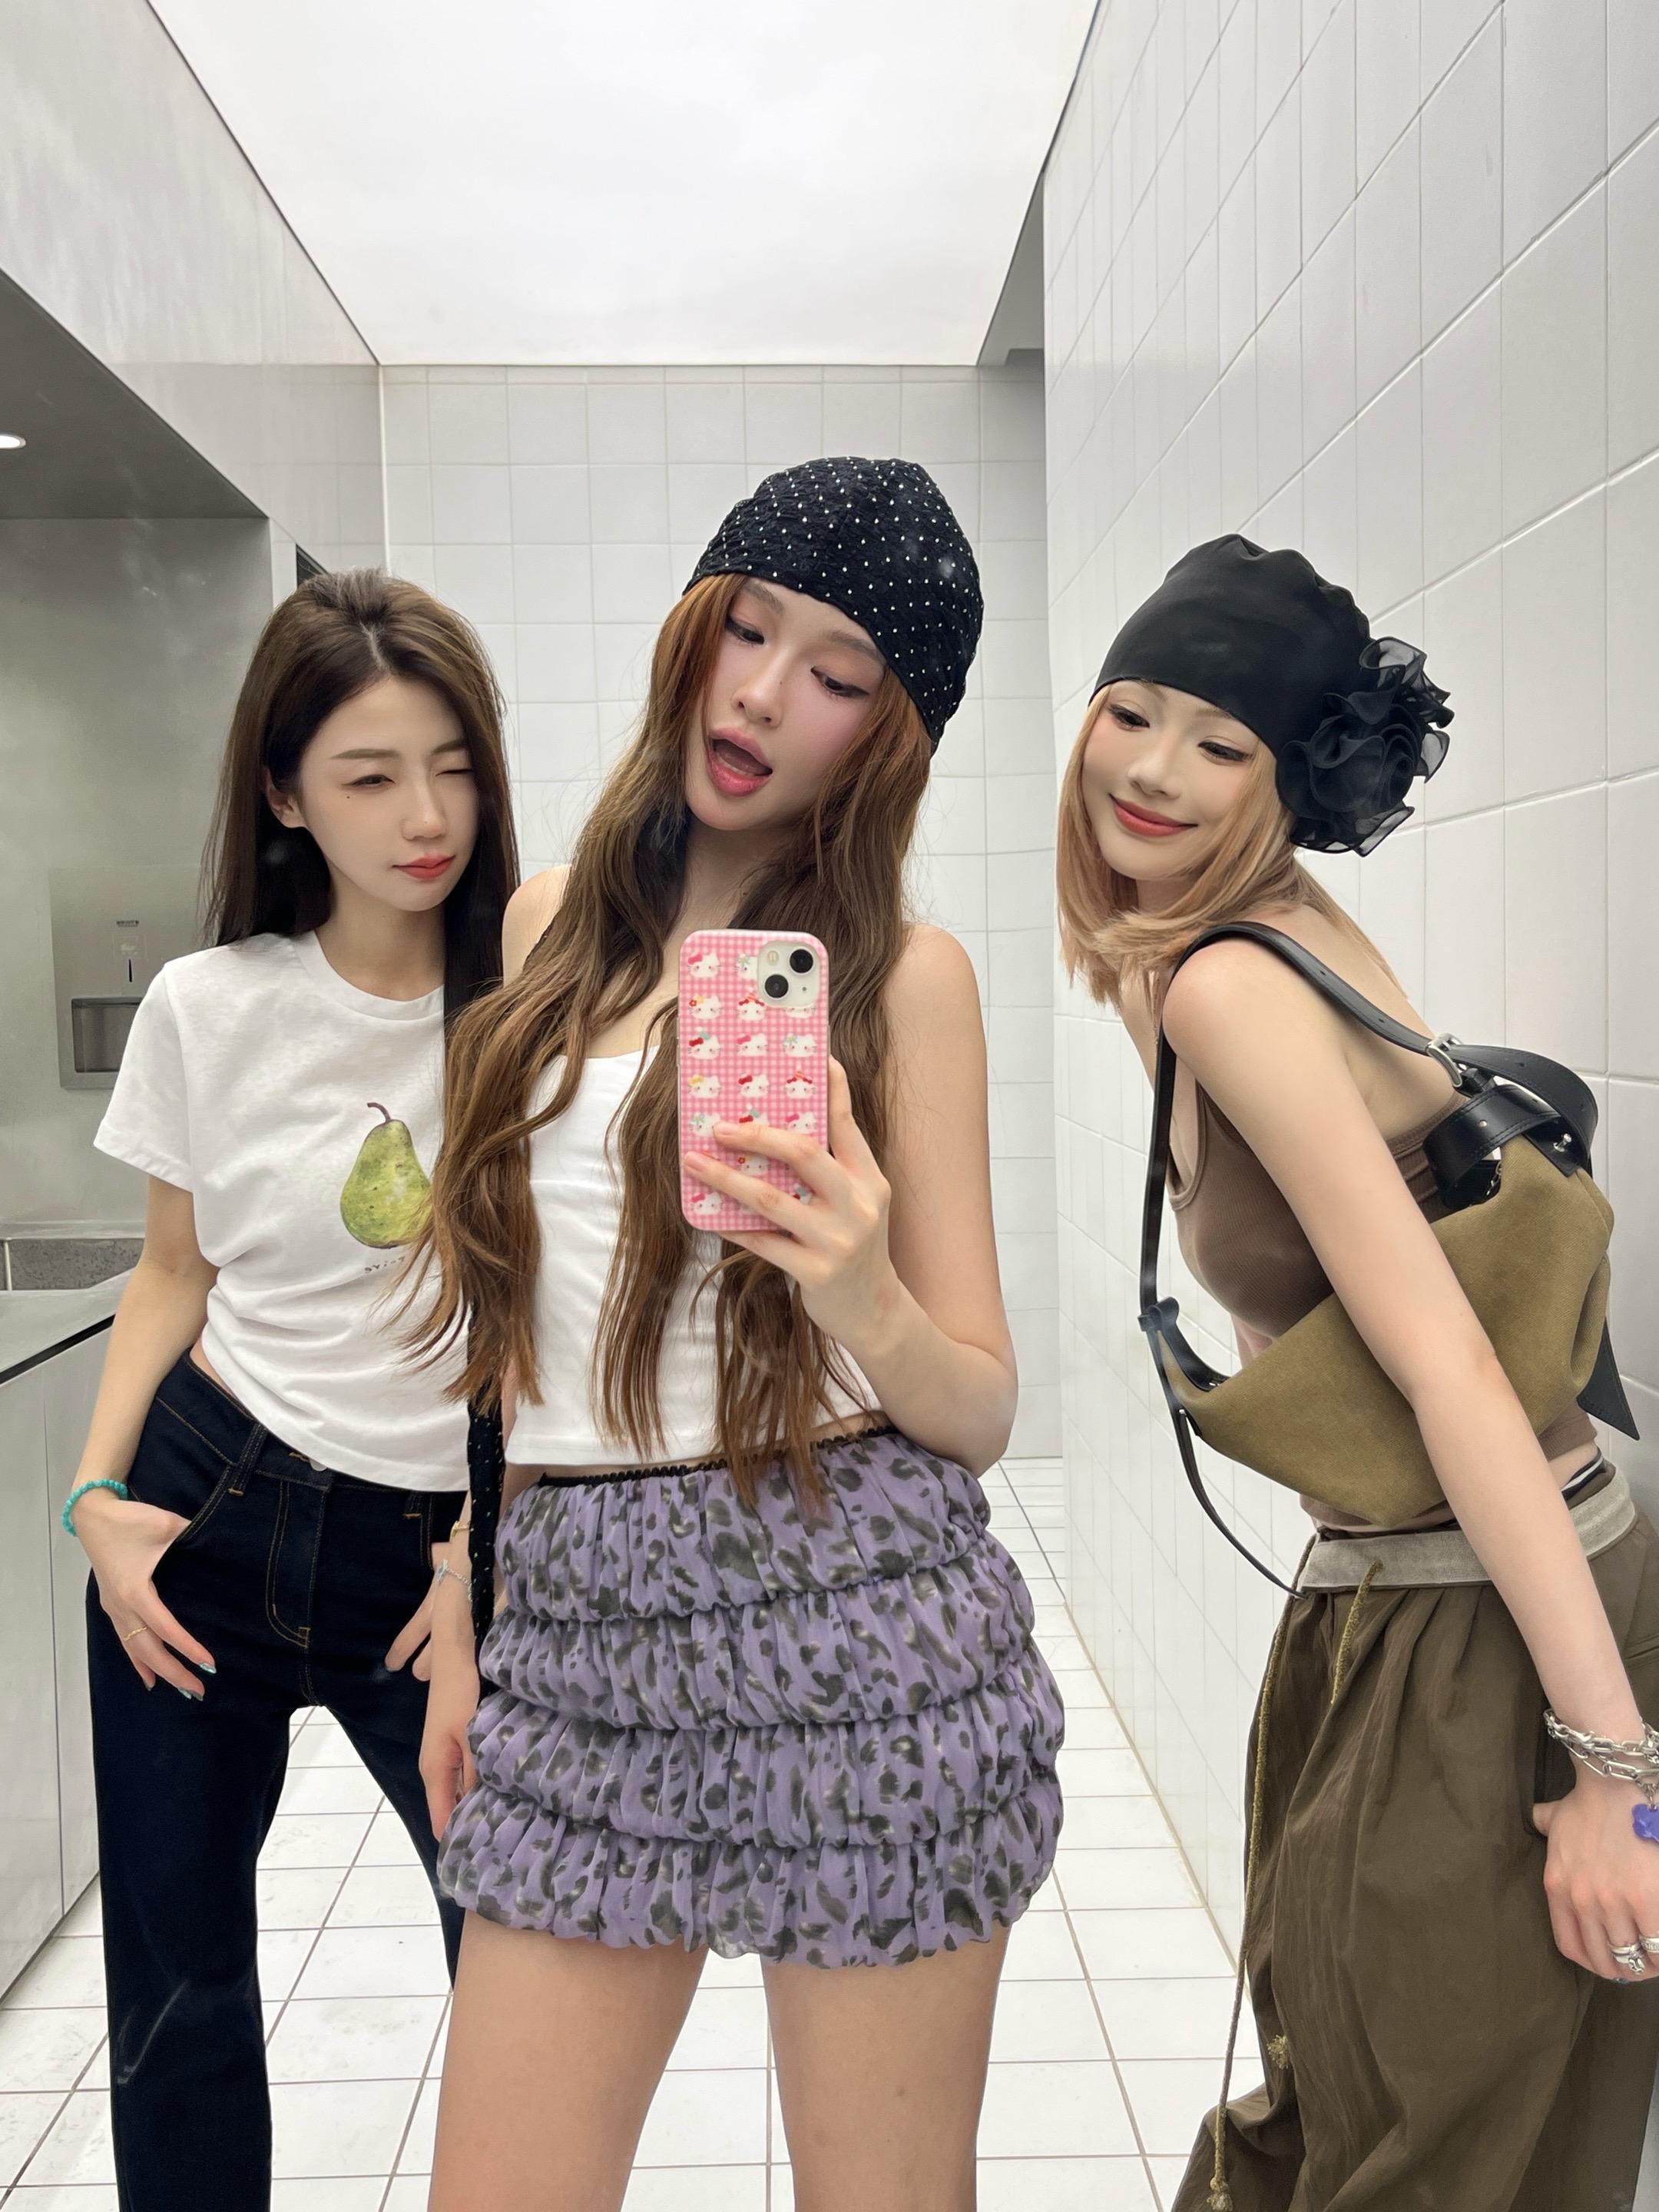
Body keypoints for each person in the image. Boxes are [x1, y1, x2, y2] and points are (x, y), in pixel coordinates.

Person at [406, 458, 1065, 2212]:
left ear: (890, 734)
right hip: (582, 1642)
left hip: (859, 1628)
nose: (763, 693)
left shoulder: (906, 977)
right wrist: (471, 1597)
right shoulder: (546, 927)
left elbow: (980, 1407)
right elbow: (524, 1340)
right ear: (692, 629)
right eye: (746, 629)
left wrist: (861, 1290)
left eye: (836, 671)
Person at [1056, 531, 1659, 2210]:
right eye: (1132, 712)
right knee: (1392, 2100)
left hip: (1488, 1609)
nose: (1154, 771)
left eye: (1222, 743)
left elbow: (1454, 1372)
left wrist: (1617, 1776)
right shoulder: (1219, 941)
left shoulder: (1229, 981)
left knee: (1415, 2143)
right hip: (1447, 1582)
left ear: (1281, 783)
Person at [65, 570, 518, 2212]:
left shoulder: (532, 1010)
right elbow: (170, 1274)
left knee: (525, 1969)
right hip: (209, 1507)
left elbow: (559, 1317)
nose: (427, 817)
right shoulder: (211, 1005)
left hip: (441, 1559)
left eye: (453, 767)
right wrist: (95, 1501)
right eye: (371, 776)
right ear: (283, 794)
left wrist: (479, 1556)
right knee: (177, 1995)